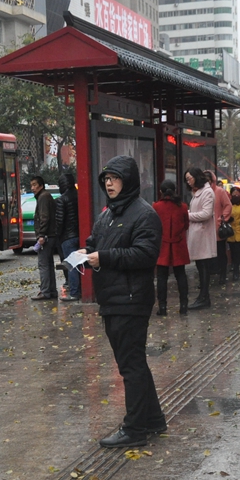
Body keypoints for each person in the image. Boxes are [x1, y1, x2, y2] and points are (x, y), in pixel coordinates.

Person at [79, 156, 166, 448]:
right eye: (106, 179)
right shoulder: (108, 213)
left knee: (131, 366)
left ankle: (135, 429)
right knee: (133, 363)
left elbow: (145, 254)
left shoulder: (144, 214)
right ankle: (152, 420)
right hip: (112, 298)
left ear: (127, 181)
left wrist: (105, 257)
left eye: (115, 178)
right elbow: (96, 241)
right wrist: (86, 253)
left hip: (131, 299)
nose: (109, 183)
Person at [153, 180, 190, 315]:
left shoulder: (156, 207)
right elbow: (186, 225)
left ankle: (162, 307)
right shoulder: (182, 206)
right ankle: (183, 306)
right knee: (181, 275)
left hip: (162, 245)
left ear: (161, 192)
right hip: (178, 244)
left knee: (161, 277)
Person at [185, 167, 215, 309]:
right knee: (200, 265)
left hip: (203, 234)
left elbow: (206, 214)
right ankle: (203, 296)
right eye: (186, 179)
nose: (188, 181)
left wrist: (187, 215)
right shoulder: (197, 192)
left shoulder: (207, 192)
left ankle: (204, 297)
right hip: (197, 233)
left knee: (203, 266)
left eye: (189, 178)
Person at [30, 176, 58, 300]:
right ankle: (51, 290)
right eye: (31, 185)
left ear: (41, 186)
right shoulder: (45, 196)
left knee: (44, 264)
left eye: (34, 185)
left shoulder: (43, 197)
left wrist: (41, 234)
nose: (32, 188)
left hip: (46, 236)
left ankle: (45, 291)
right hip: (51, 235)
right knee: (49, 264)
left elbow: (44, 217)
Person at [54, 173, 80, 301]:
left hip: (67, 237)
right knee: (80, 264)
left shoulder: (61, 200)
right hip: (79, 234)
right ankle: (80, 289)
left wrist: (57, 236)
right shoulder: (79, 196)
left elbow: (59, 221)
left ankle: (74, 292)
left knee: (71, 265)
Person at [205, 170, 232, 284]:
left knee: (221, 252)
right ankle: (208, 276)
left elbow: (228, 205)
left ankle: (223, 274)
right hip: (205, 228)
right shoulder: (200, 192)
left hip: (217, 228)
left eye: (208, 180)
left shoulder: (219, 191)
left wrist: (222, 219)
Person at [226, 186, 240, 280]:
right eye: (234, 193)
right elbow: (223, 213)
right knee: (232, 252)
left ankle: (236, 269)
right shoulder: (228, 204)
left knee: (238, 252)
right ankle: (234, 267)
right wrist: (227, 218)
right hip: (230, 232)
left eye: (237, 193)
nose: (235, 195)